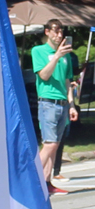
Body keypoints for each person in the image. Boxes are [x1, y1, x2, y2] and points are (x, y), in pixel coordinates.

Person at [31, 20, 78, 196]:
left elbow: (67, 82)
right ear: (47, 32)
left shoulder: (66, 56)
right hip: (48, 103)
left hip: (62, 104)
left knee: (55, 145)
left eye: (61, 32)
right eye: (56, 31)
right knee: (49, 144)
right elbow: (43, 75)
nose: (59, 35)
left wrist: (72, 105)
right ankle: (29, 178)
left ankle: (46, 182)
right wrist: (56, 55)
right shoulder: (39, 51)